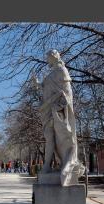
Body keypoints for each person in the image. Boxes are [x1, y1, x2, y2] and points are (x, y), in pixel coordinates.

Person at [32, 49, 84, 185]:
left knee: (60, 138)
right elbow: (46, 88)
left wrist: (61, 105)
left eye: (48, 57)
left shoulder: (62, 71)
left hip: (58, 111)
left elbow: (67, 94)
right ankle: (47, 166)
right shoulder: (52, 73)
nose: (47, 60)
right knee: (49, 137)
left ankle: (54, 164)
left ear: (54, 57)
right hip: (48, 110)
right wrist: (38, 84)